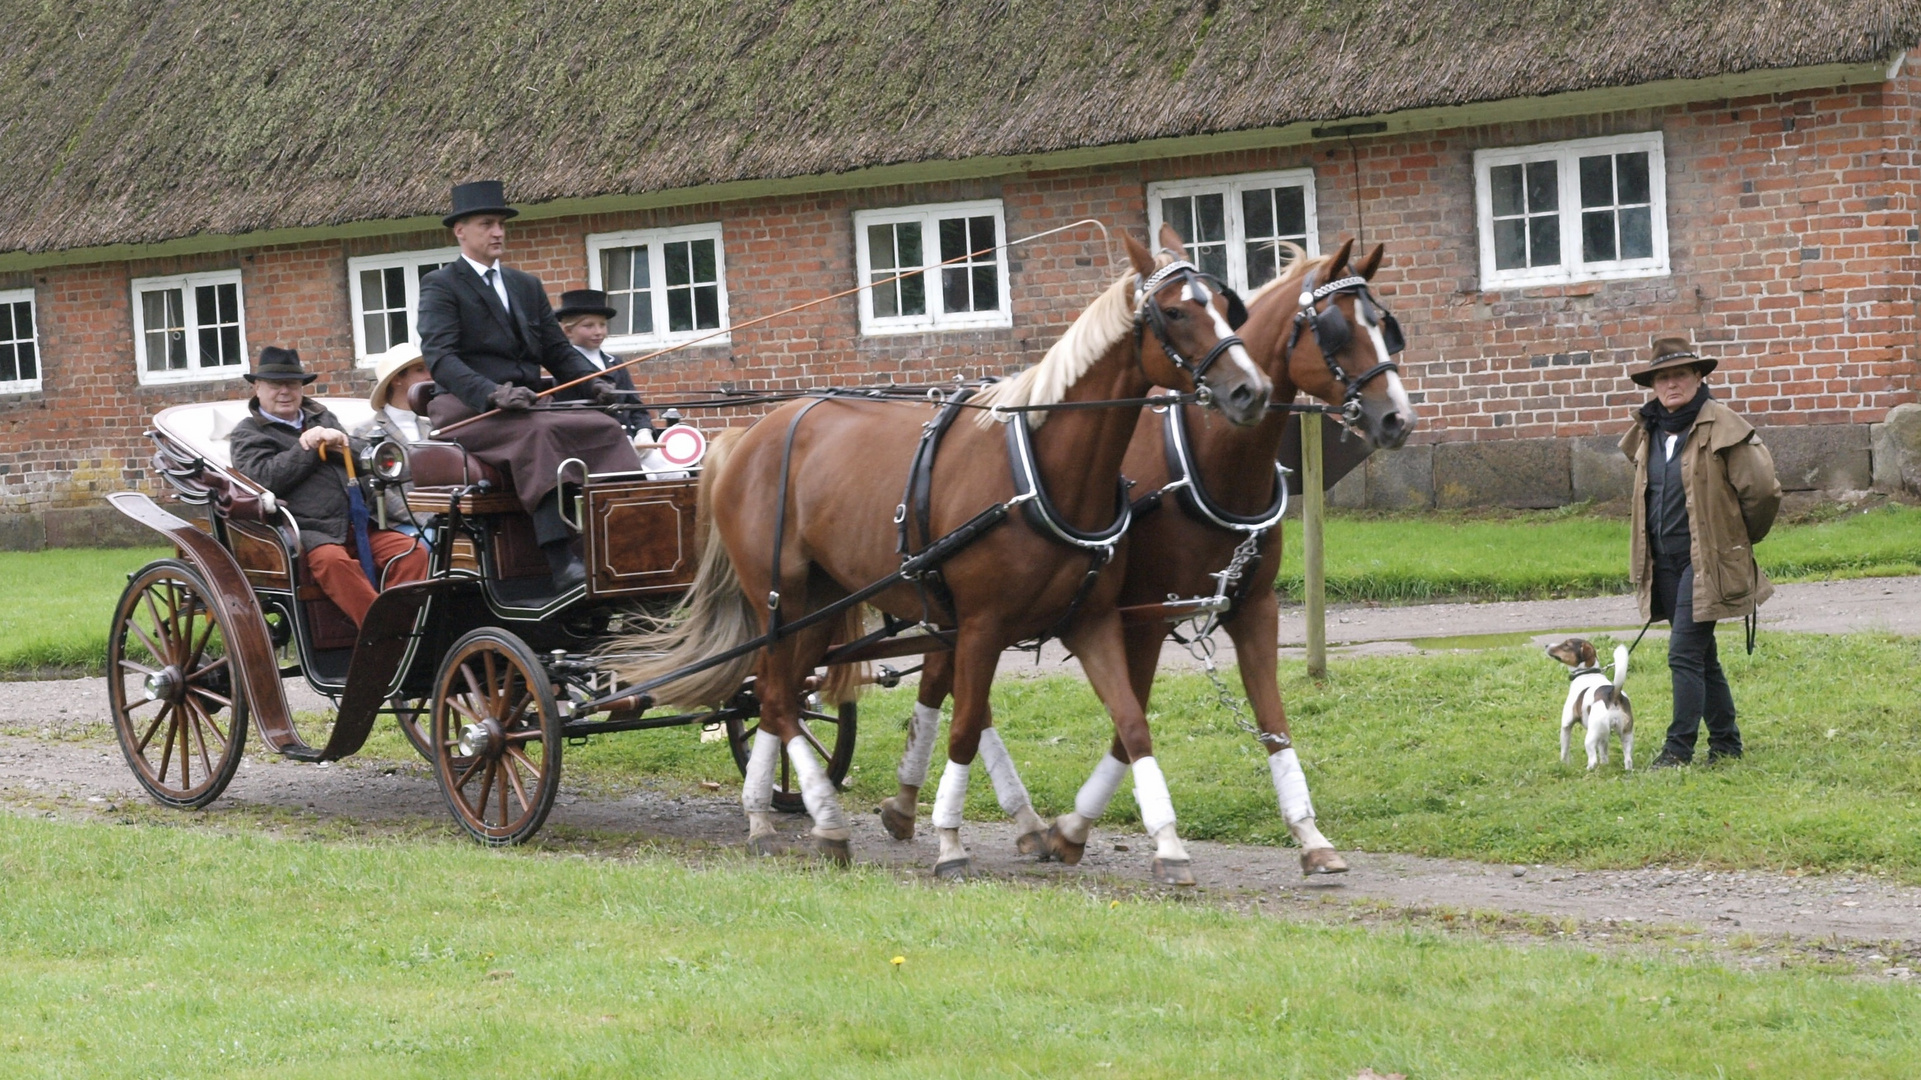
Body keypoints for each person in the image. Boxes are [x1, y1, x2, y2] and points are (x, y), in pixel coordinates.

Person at [415, 181, 643, 593]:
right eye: (487, 224)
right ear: (460, 231)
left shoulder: (526, 285)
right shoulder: (441, 286)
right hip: (471, 410)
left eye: (501, 224)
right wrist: (491, 392)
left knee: (604, 427)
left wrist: (595, 385)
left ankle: (627, 538)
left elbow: (557, 352)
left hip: (526, 404)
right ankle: (559, 559)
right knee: (539, 434)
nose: (498, 232)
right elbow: (441, 359)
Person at [1620, 337, 1782, 767]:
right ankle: (1726, 742)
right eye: (1662, 377)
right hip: (1664, 560)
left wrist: (1735, 541)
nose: (1671, 384)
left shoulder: (1725, 426)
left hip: (1706, 560)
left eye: (1679, 374)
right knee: (1702, 655)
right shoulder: (1647, 429)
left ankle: (1678, 750)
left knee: (1683, 653)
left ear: (1698, 377)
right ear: (1653, 385)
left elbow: (1763, 493)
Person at [229, 347, 428, 628]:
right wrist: (307, 446)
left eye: (293, 384)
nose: (285, 391)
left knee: (411, 553)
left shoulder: (322, 417)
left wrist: (341, 443)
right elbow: (264, 479)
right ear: (257, 387)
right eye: (275, 385)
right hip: (309, 534)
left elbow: (366, 459)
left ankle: (407, 629)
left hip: (360, 524)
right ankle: (384, 632)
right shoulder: (248, 432)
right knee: (334, 563)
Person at [352, 341, 433, 533]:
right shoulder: (367, 433)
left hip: (443, 517)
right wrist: (424, 518)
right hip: (396, 525)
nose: (429, 375)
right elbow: (376, 492)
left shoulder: (433, 427)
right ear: (397, 379)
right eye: (420, 370)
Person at [556, 288, 655, 439]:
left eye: (602, 325)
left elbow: (635, 405)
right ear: (568, 330)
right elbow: (571, 415)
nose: (598, 332)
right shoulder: (564, 367)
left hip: (632, 439)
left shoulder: (615, 362)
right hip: (595, 445)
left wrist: (644, 430)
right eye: (589, 326)